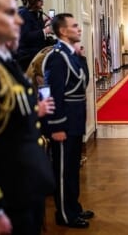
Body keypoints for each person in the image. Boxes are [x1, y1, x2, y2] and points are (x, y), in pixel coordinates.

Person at [0, 0, 55, 234]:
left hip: (26, 187)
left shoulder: (7, 64)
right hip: (7, 193)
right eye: (9, 13)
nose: (18, 19)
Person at [43, 13, 92, 228]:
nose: (79, 29)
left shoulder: (72, 55)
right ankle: (63, 214)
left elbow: (83, 83)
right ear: (63, 31)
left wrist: (81, 58)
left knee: (72, 168)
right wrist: (57, 126)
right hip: (64, 122)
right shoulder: (57, 56)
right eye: (74, 26)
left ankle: (73, 207)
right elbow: (51, 94)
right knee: (63, 171)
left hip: (76, 119)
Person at [17, 0, 54, 72]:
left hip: (36, 54)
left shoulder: (35, 13)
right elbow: (25, 37)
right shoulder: (23, 14)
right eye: (40, 0)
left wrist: (44, 25)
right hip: (27, 57)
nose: (42, 3)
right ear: (32, 0)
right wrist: (45, 31)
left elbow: (34, 29)